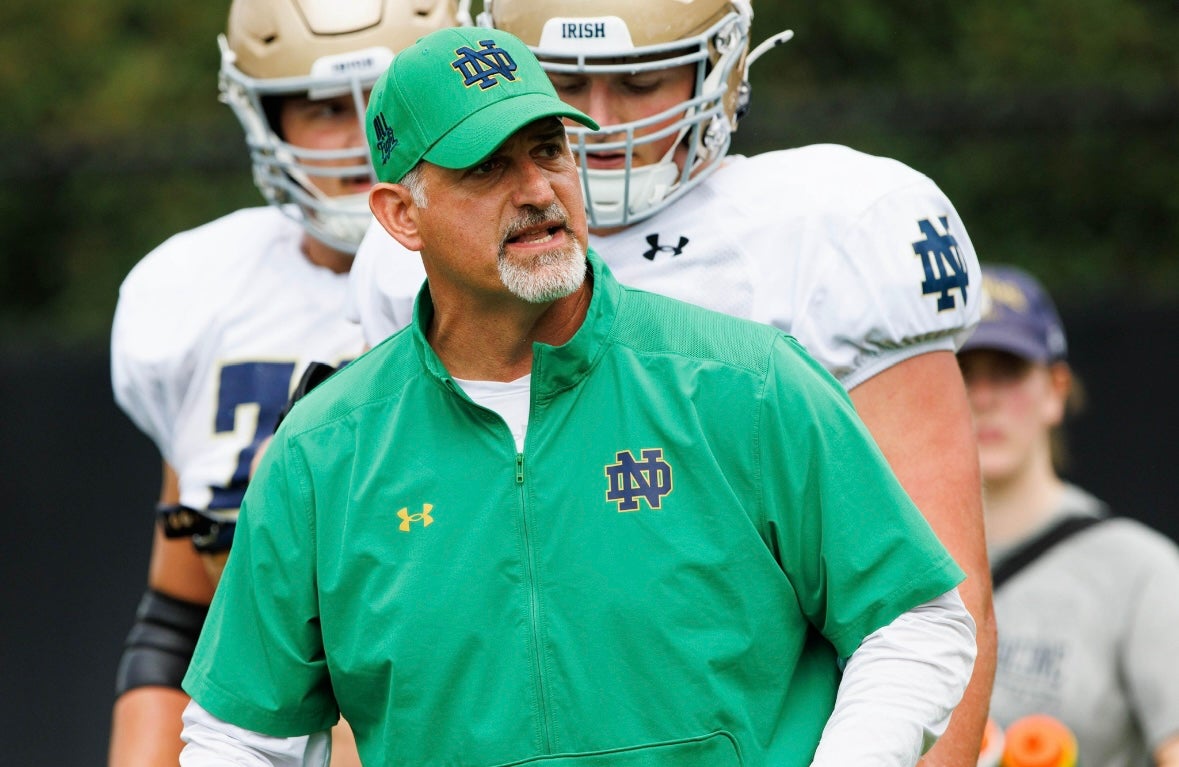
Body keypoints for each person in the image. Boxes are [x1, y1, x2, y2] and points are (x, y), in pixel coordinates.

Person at [177, 25, 976, 767]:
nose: (537, 190)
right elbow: (239, 734)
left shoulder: (747, 379)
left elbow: (915, 620)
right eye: (486, 166)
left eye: (549, 150)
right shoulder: (323, 448)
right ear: (399, 214)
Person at [107, 1, 468, 764]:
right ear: (264, 116)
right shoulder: (192, 291)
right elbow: (180, 615)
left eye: (388, 96)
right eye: (323, 107)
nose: (364, 136)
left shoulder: (522, 279)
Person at [958, 265, 1179, 767]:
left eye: (1009, 370)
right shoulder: (882, 561)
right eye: (962, 372)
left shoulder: (1142, 570)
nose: (984, 397)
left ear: (1056, 389)